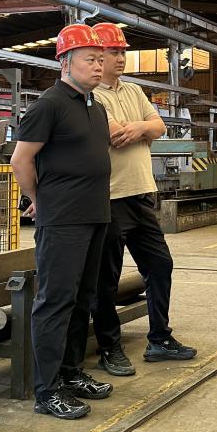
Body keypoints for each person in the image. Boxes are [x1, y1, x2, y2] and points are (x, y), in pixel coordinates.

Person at [10, 23, 113, 420]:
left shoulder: (95, 107)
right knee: (55, 302)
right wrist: (40, 200)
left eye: (101, 60)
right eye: (91, 59)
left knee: (82, 299)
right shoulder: (48, 105)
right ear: (65, 62)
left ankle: (71, 373)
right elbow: (21, 160)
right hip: (63, 218)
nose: (99, 66)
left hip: (95, 215)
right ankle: (47, 389)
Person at [89, 22, 196, 376]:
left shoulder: (133, 90)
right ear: (97, 56)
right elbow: (113, 134)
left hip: (142, 194)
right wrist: (142, 129)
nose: (120, 58)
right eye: (113, 52)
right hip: (110, 198)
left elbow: (158, 127)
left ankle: (159, 338)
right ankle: (110, 347)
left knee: (160, 265)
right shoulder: (92, 95)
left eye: (123, 52)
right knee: (107, 279)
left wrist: (138, 128)